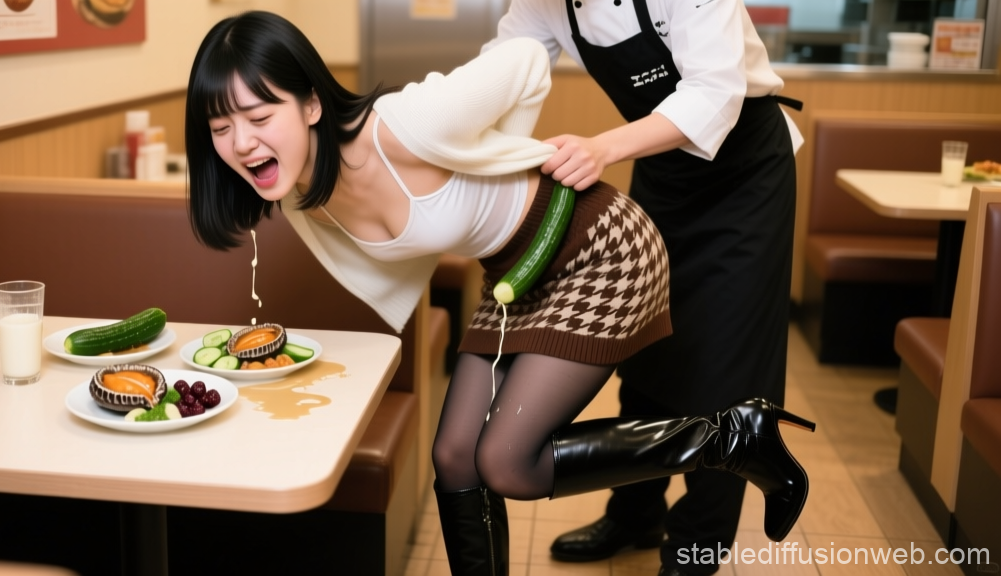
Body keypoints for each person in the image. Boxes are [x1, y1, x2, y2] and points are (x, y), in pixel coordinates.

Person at [185, 11, 812, 575]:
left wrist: (495, 153)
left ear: (311, 105)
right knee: (456, 454)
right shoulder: (296, 191)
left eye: (260, 118)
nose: (243, 141)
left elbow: (535, 72)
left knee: (511, 459)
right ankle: (638, 513)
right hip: (520, 268)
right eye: (222, 126)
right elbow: (512, 51)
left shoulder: (407, 126)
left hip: (612, 238)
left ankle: (733, 443)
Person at [480, 1, 805, 574]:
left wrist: (602, 148)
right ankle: (634, 511)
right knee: (648, 346)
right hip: (666, 175)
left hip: (745, 177)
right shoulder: (541, 4)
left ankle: (694, 551)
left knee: (726, 370)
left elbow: (714, 91)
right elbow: (497, 79)